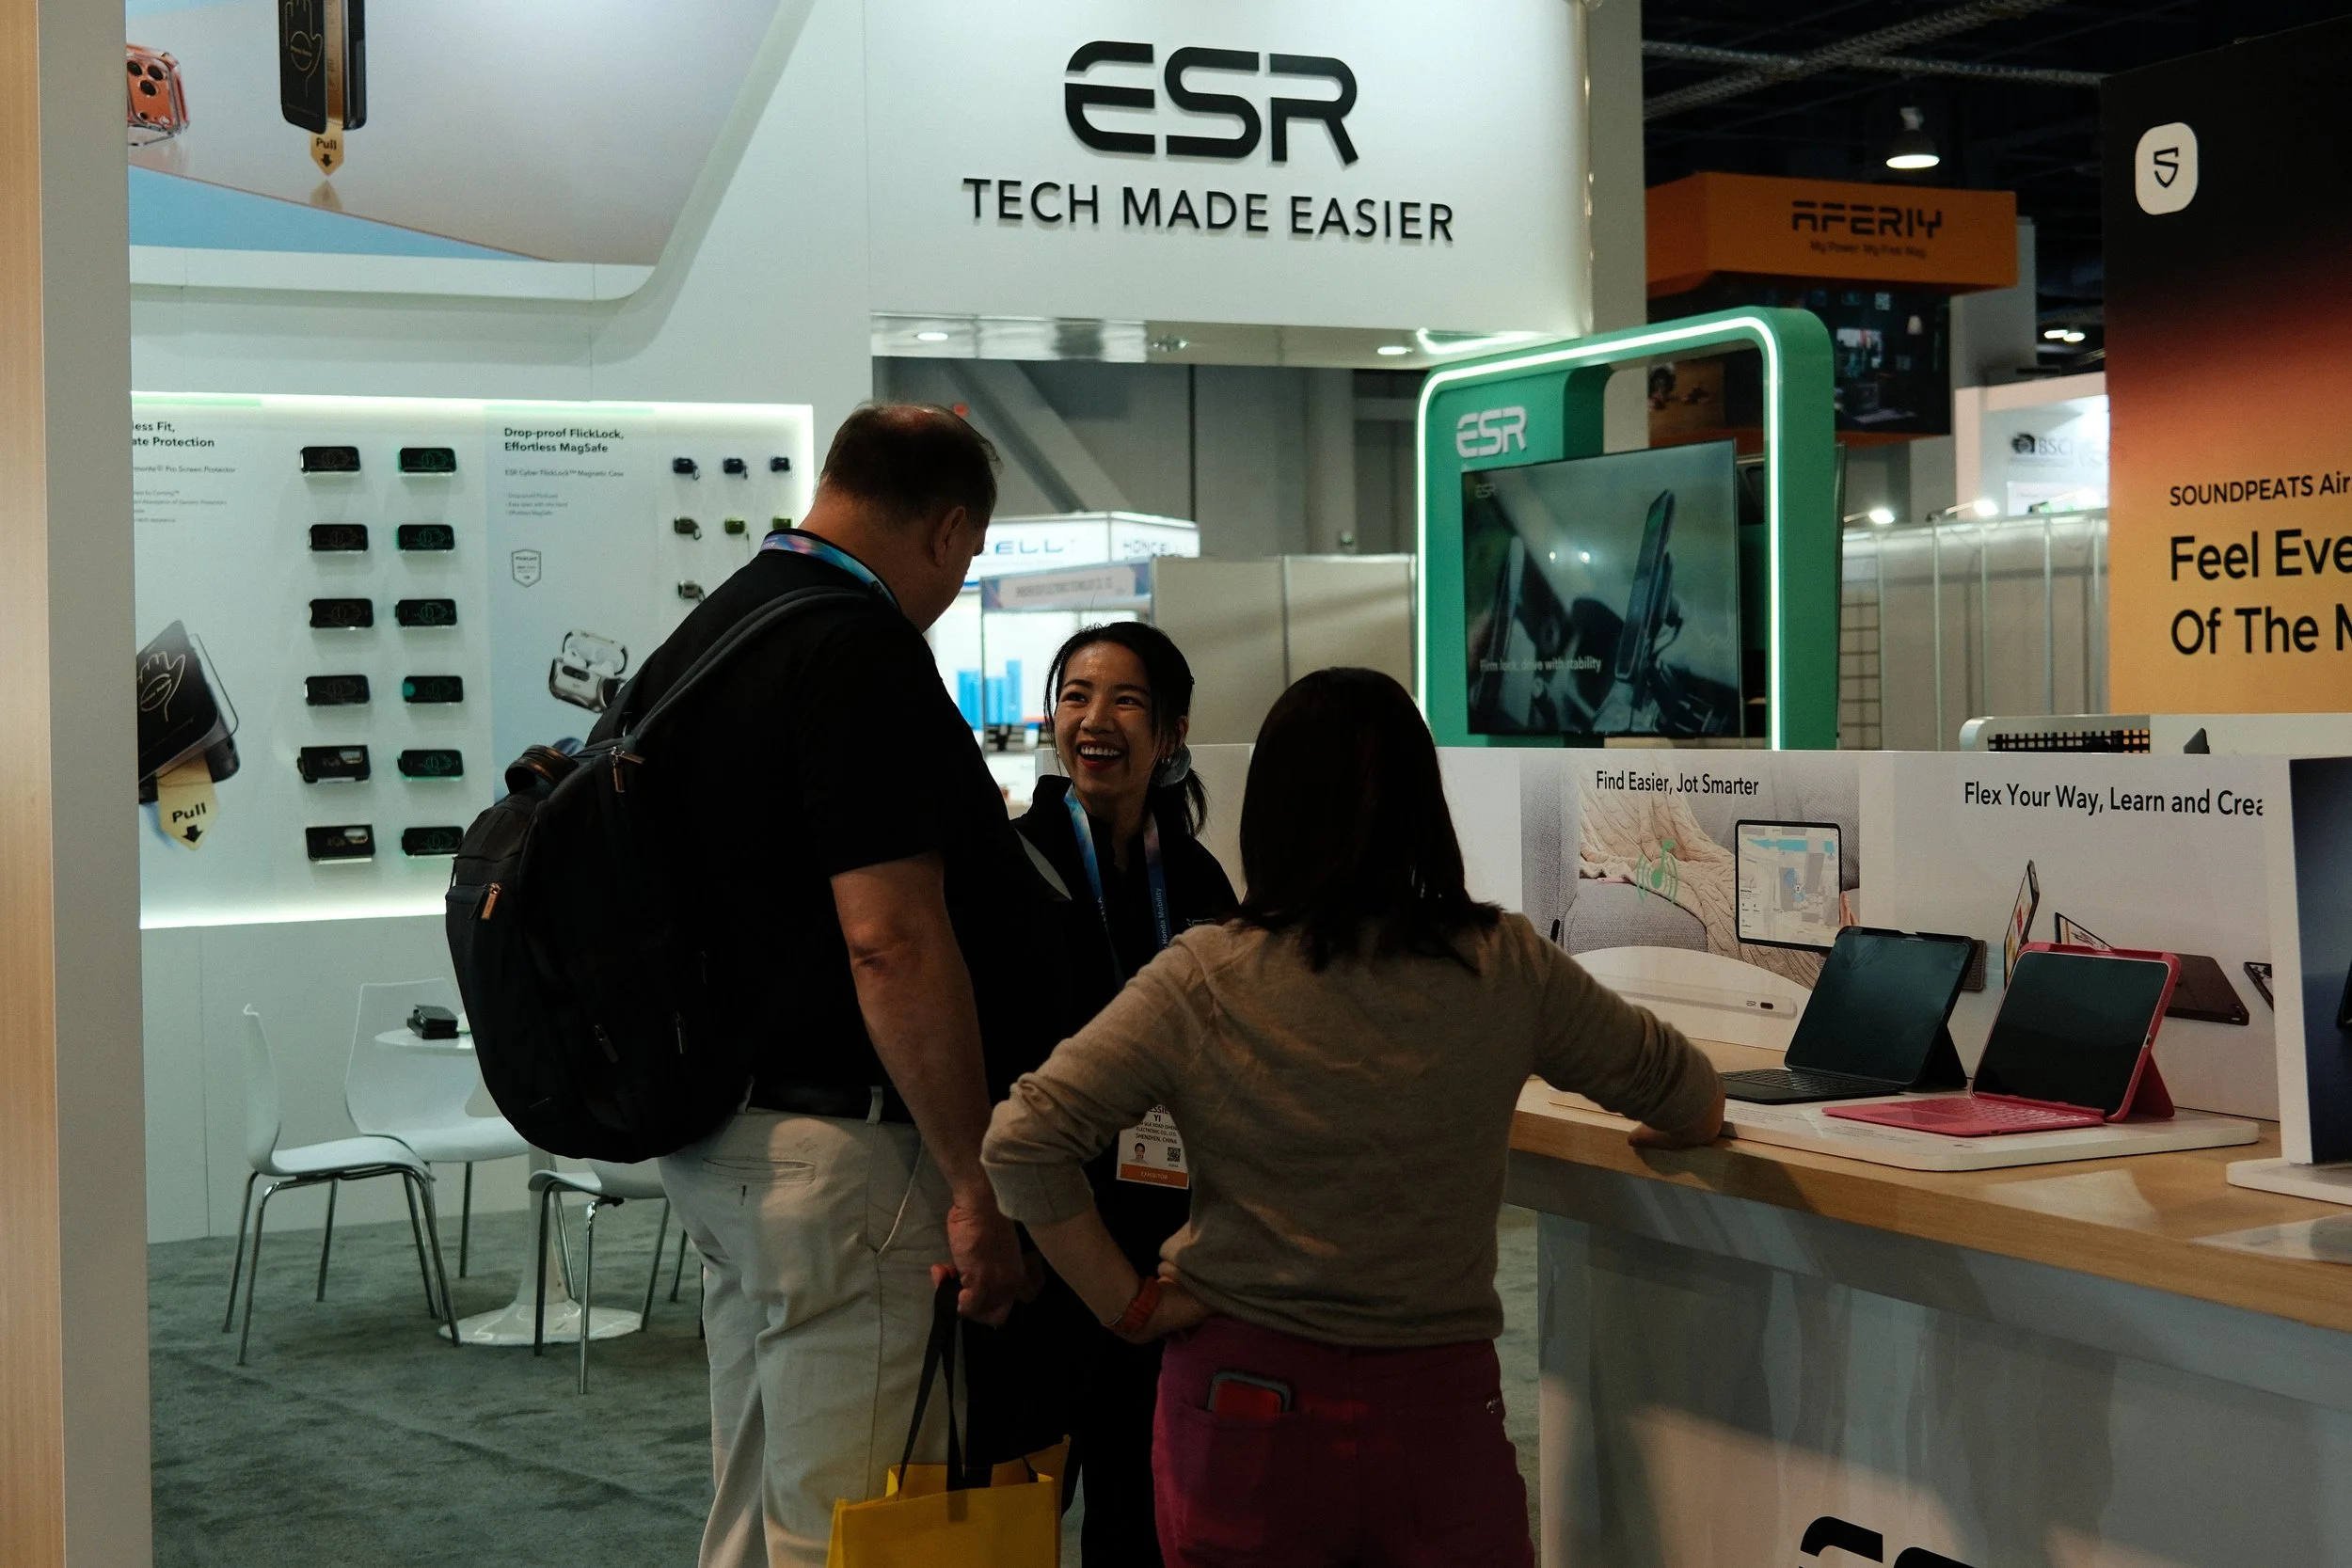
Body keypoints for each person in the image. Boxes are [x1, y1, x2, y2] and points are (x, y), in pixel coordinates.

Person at [981, 667, 1724, 1568]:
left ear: (1269, 809)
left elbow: (1024, 1141)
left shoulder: (1206, 973)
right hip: (1438, 1410)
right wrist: (1674, 1130)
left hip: (1241, 1402)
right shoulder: (1503, 964)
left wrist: (1129, 1305)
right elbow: (1687, 1092)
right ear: (1423, 805)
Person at [641, 404, 1066, 1568]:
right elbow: (891, 941)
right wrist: (974, 1182)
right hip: (847, 1159)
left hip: (723, 1136)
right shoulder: (855, 650)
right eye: (967, 560)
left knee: (755, 1507)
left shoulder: (713, 631)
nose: (954, 587)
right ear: (947, 529)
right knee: (856, 1525)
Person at [1011, 622, 1238, 1567]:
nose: (1094, 719)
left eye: (1125, 699)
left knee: (1143, 1507)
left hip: (1161, 1234)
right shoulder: (1008, 864)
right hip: (1041, 1230)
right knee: (1016, 1501)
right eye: (1075, 695)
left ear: (1172, 732)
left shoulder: (1196, 879)